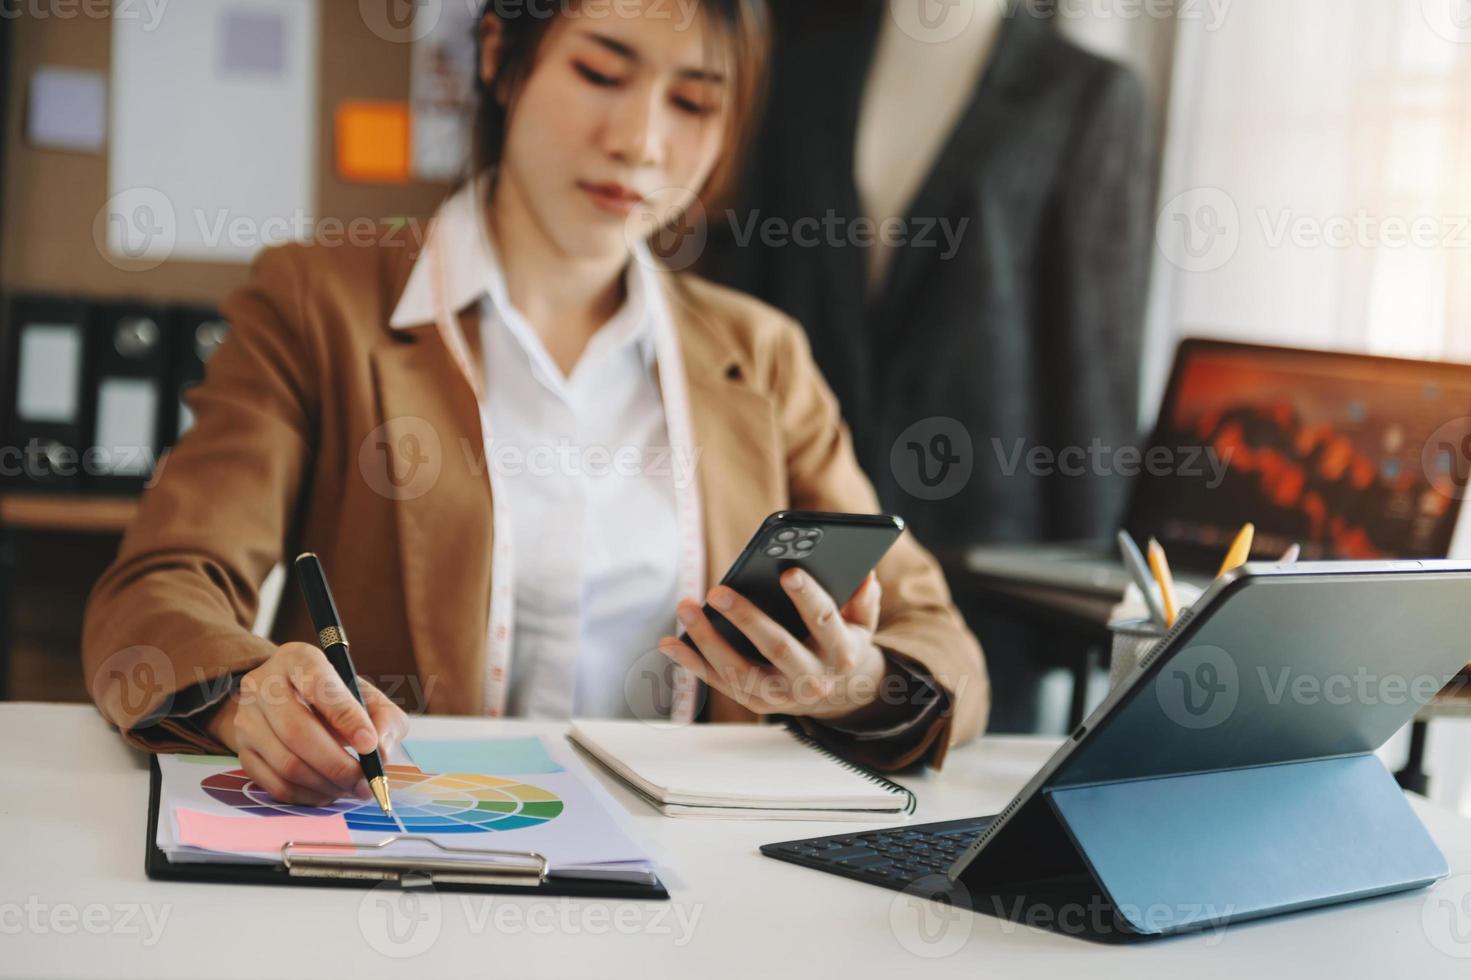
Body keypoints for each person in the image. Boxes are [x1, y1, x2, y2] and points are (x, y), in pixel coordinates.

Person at [82, 0, 988, 806]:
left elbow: (941, 646)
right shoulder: (318, 303)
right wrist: (249, 692)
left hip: (694, 890)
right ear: (497, 57)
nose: (639, 140)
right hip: (403, 851)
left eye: (693, 101)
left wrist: (855, 682)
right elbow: (160, 588)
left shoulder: (761, 354)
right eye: (600, 72)